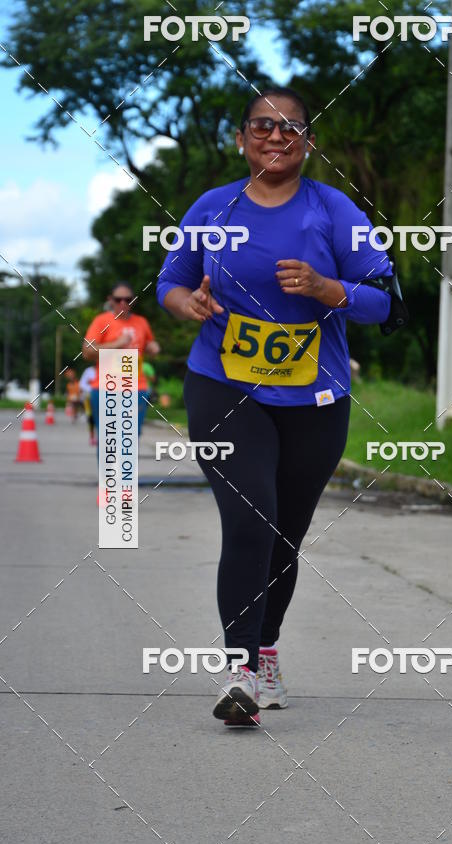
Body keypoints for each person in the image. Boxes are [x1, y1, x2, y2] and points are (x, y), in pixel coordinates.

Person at [157, 86, 394, 727]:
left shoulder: (333, 210)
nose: (275, 135)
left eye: (291, 127)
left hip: (315, 398)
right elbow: (170, 283)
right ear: (241, 139)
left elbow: (384, 301)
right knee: (251, 520)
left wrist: (328, 288)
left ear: (308, 143)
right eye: (262, 125)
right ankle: (238, 673)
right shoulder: (213, 207)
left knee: (285, 535)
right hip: (224, 384)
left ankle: (265, 651)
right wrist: (189, 304)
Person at [82, 282, 160, 445]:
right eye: (118, 299)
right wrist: (117, 344)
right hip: (106, 388)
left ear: (133, 301)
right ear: (111, 300)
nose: (123, 303)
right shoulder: (101, 321)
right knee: (109, 440)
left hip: (136, 389)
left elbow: (150, 344)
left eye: (128, 299)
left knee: (129, 440)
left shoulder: (142, 322)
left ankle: (125, 470)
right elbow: (87, 352)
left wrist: (153, 347)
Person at [79, 364, 97, 444]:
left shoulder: (107, 369)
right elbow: (82, 384)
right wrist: (92, 389)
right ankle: (92, 436)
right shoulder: (88, 371)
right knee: (91, 418)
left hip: (104, 397)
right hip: (89, 397)